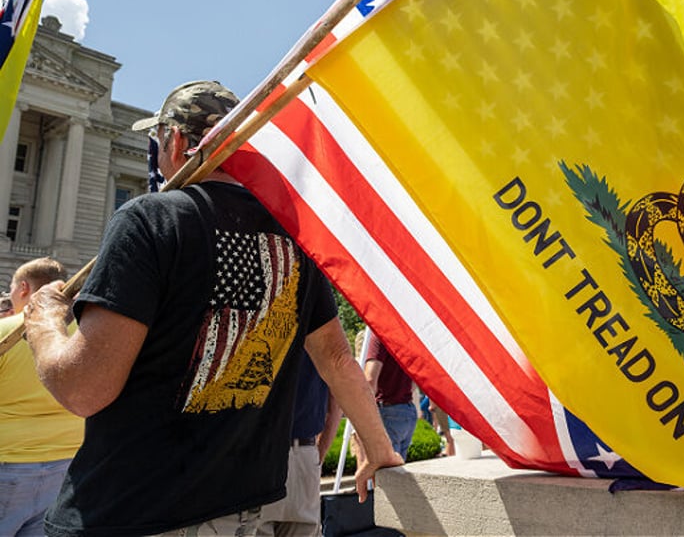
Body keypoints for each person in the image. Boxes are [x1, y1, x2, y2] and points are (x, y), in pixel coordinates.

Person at [22, 80, 402, 537]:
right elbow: (338, 359)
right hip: (247, 509)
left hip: (137, 510)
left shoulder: (150, 219)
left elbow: (83, 388)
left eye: (158, 142)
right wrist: (378, 448)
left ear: (177, 141)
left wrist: (42, 324)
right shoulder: (294, 240)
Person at [0, 258, 83, 537]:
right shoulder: (84, 335)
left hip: (7, 461)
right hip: (65, 464)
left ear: (23, 288)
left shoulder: (5, 330)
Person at [259, 354, 341, 537]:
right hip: (303, 453)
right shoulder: (320, 328)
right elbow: (337, 397)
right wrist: (317, 455)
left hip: (257, 454)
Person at [363, 333, 418, 459]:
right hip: (407, 409)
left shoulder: (379, 336)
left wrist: (364, 414)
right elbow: (416, 379)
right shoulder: (410, 337)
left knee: (384, 472)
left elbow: (370, 380)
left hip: (387, 409)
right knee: (397, 470)